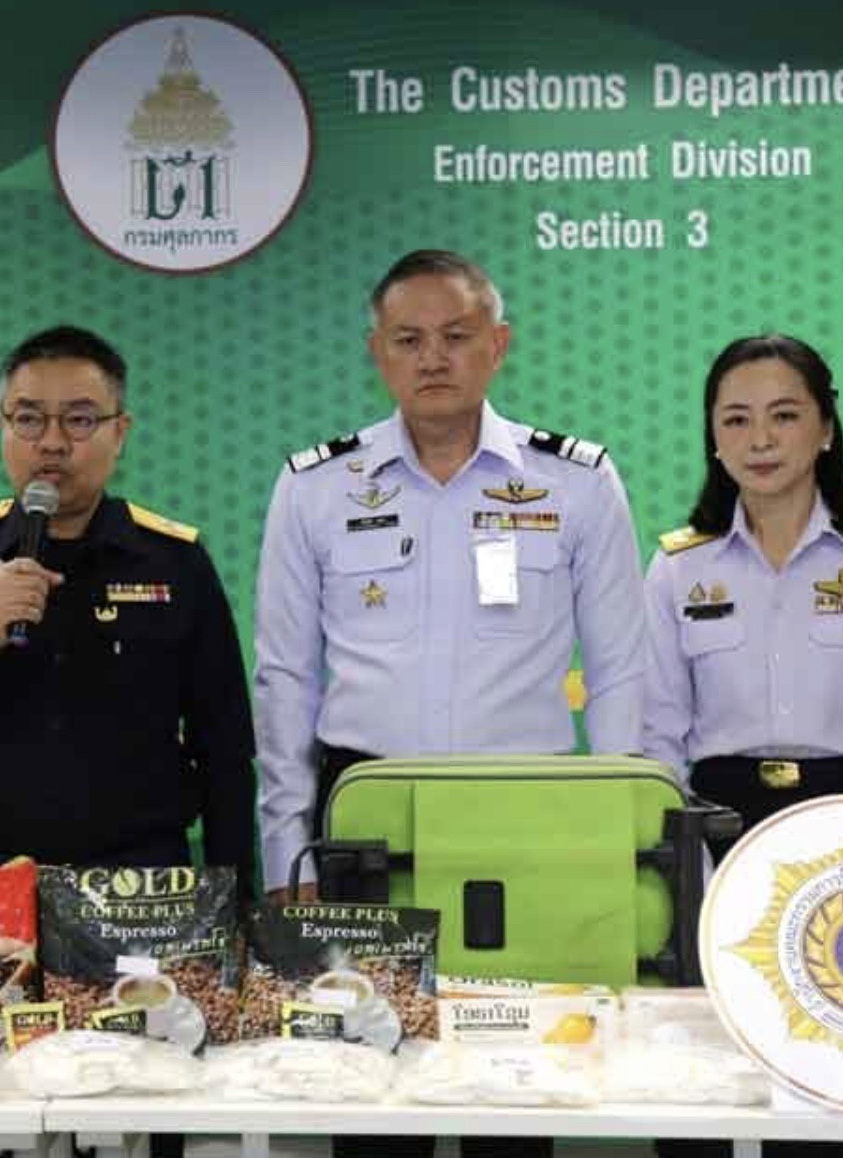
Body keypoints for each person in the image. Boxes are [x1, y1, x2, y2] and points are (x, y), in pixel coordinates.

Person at [254, 249, 648, 901]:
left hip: (527, 806)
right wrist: (285, 853)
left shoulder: (576, 482)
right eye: (409, 340)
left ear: (498, 345)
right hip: (363, 814)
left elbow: (621, 673)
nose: (433, 359)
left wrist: (620, 830)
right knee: (362, 978)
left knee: (529, 972)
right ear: (378, 353)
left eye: (456, 337)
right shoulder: (315, 487)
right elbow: (286, 682)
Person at [0, 324, 256, 883]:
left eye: (78, 420)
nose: (52, 442)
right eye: (29, 419)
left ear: (119, 432)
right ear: (2, 426)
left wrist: (235, 900)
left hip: (141, 881)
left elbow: (224, 749)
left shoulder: (174, 561)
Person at [642, 334, 843, 852]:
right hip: (714, 824)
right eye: (736, 420)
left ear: (826, 428)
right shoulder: (677, 567)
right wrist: (690, 854)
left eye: (784, 416)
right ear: (713, 436)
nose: (760, 440)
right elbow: (655, 735)